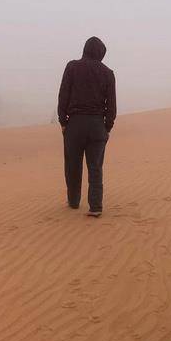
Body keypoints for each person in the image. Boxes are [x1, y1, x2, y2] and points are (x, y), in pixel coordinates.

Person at [57, 36, 116, 217]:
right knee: (95, 167)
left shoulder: (72, 67)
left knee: (73, 166)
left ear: (85, 49)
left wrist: (63, 122)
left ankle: (74, 201)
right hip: (97, 124)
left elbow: (63, 95)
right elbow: (111, 105)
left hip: (75, 124)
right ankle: (96, 206)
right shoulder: (108, 73)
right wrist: (107, 127)